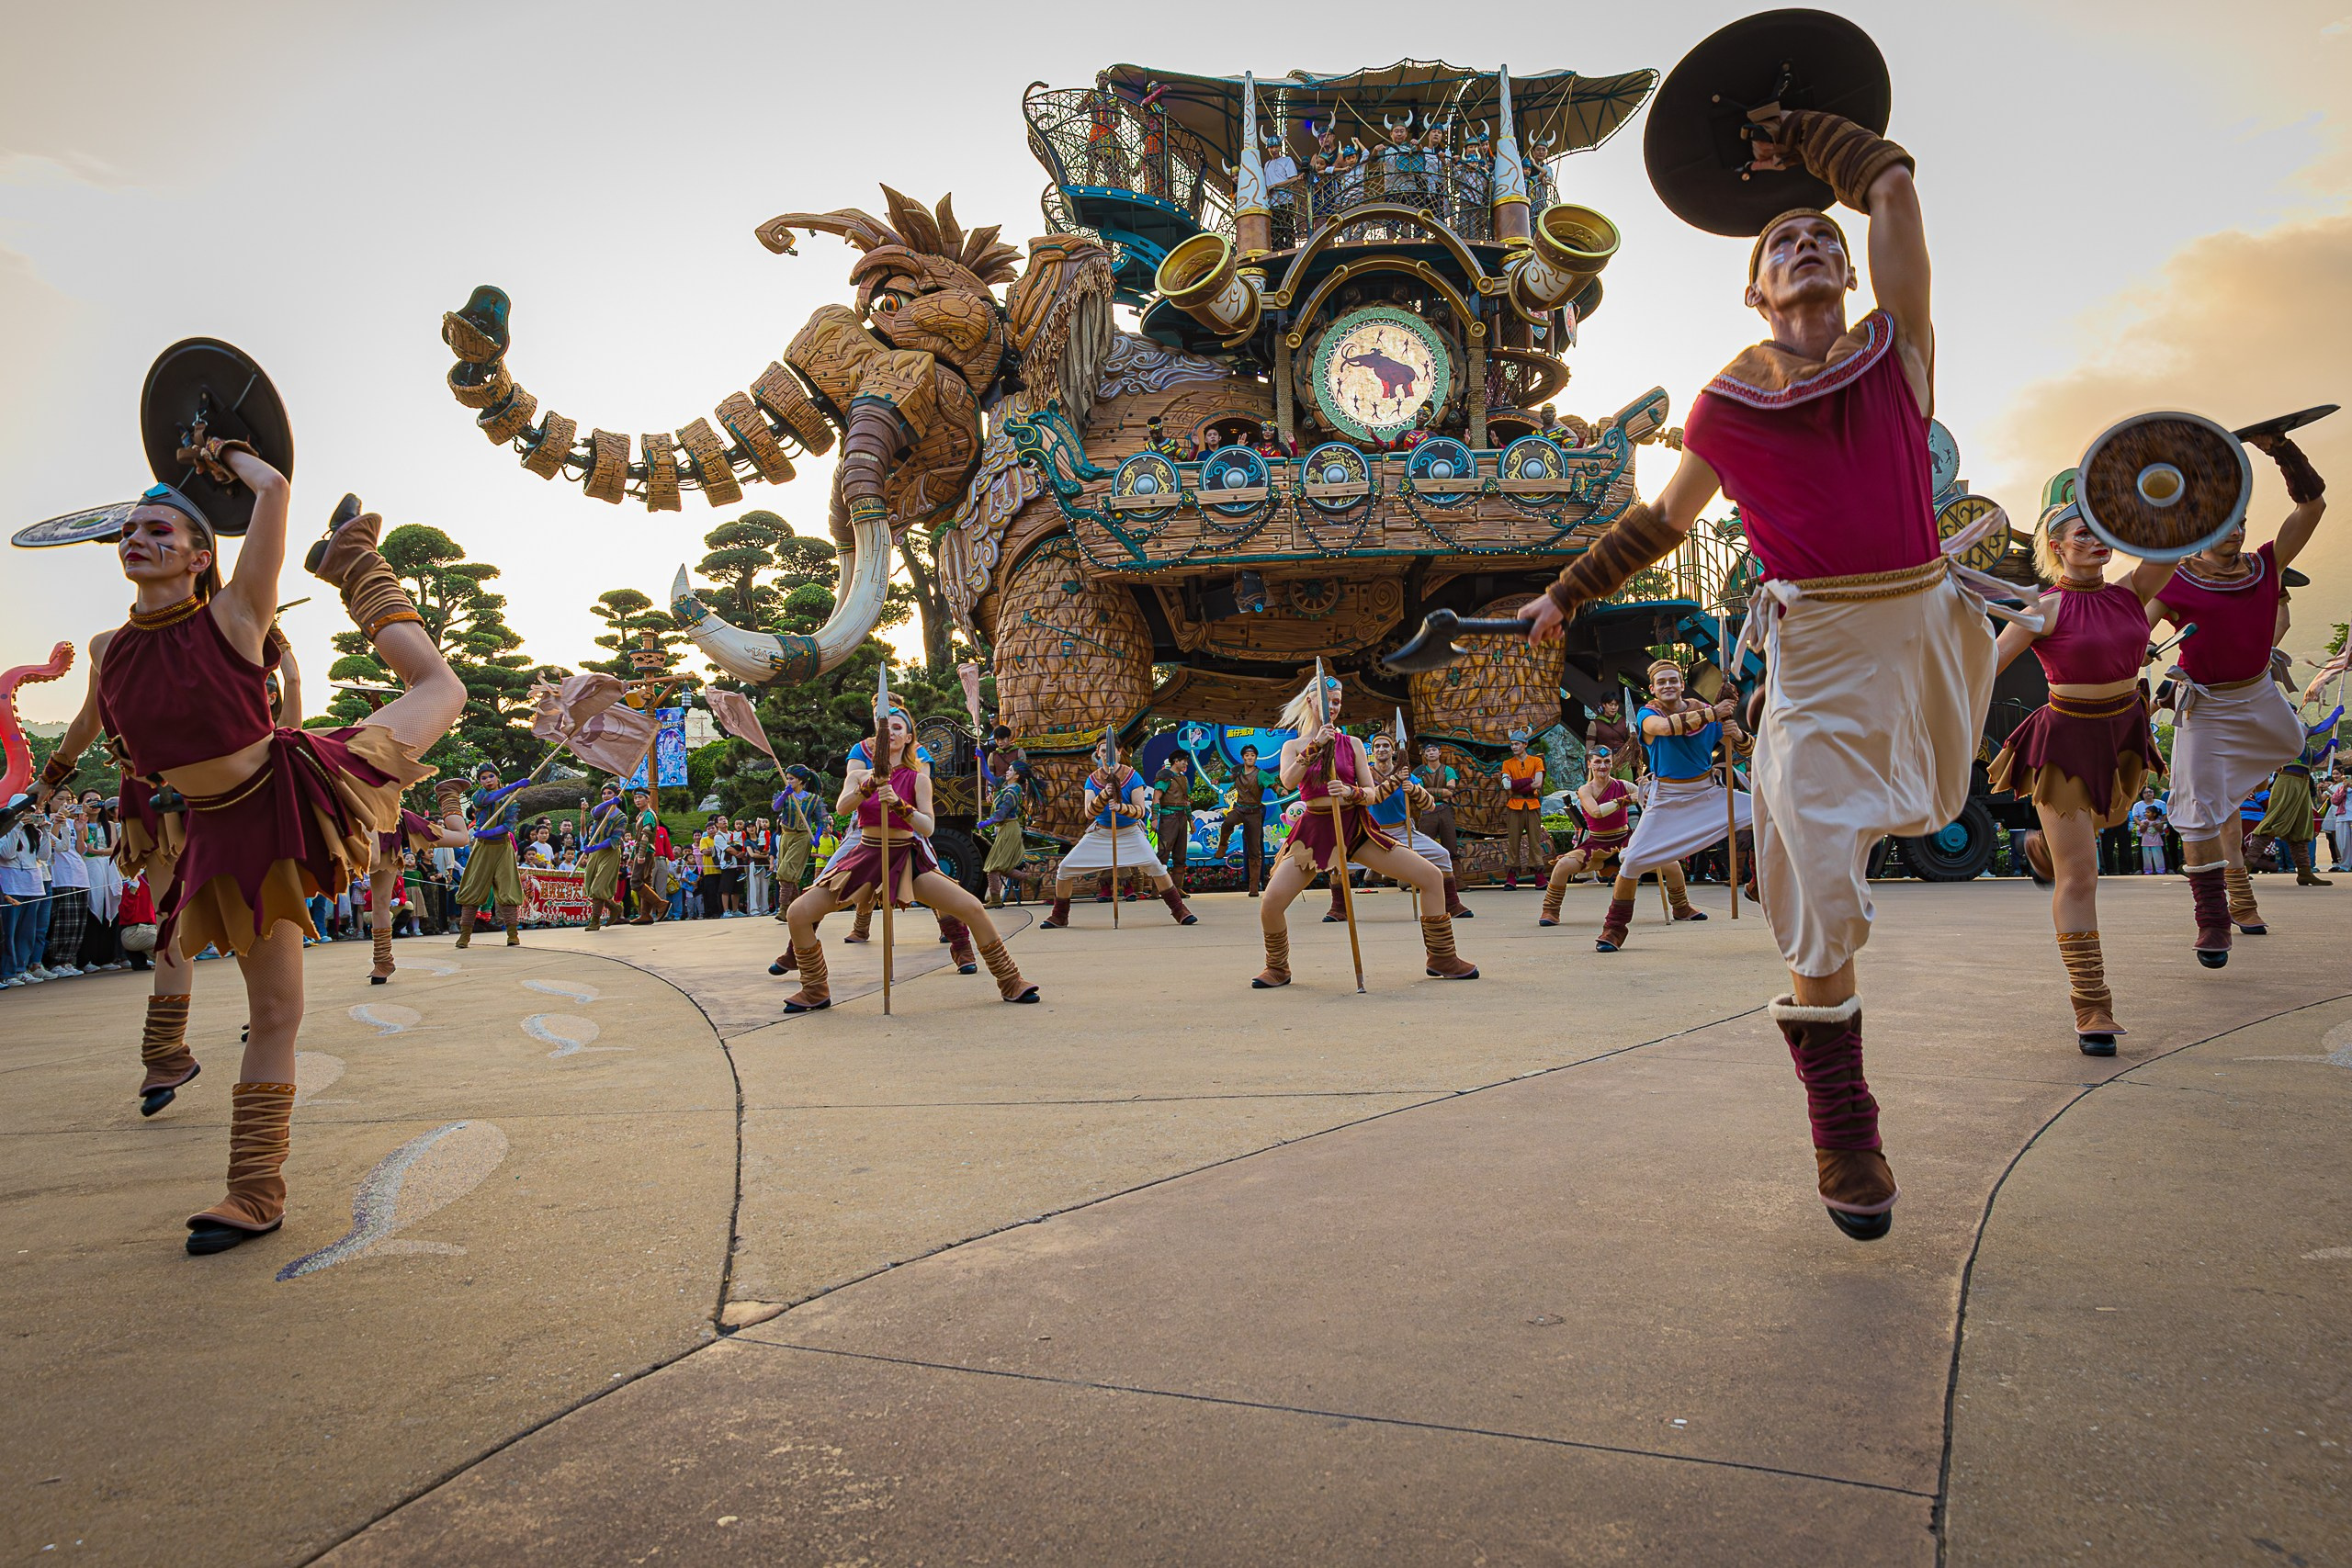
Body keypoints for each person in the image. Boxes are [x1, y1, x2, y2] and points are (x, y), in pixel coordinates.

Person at [1519, 106, 1986, 1240]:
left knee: (1935, 807)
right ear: (1752, 292)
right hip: (1818, 645)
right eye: (1779, 244)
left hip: (1926, 626)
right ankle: (1844, 1126)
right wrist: (1565, 594)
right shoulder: (1725, 405)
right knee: (1815, 866)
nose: (1806, 247)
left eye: (1816, 236)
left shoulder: (1897, 351)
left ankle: (1842, 1088)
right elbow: (1657, 520)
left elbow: (1892, 193)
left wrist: (1804, 137)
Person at [38, 461, 463, 1254]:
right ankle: (239, 1166)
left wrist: (217, 450)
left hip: (291, 793)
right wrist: (49, 781)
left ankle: (355, 564)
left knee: (442, 687)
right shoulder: (111, 648)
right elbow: (95, 727)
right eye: (128, 531)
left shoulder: (235, 617)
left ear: (201, 555)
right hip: (215, 831)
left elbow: (271, 489)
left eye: (157, 530)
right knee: (260, 1003)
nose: (135, 538)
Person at [1986, 496, 2173, 1054]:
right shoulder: (2043, 609)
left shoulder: (2133, 592)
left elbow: (2174, 540)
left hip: (2125, 738)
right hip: (2064, 743)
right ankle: (2092, 1005)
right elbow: (1986, 668)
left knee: (2106, 822)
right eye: (2081, 534)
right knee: (2082, 875)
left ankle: (2046, 844)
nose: (2095, 541)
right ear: (2056, 547)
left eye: (2102, 531)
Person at [2145, 431, 2327, 957]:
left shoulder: (2266, 564)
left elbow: (2312, 506)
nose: (2236, 531)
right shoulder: (2174, 581)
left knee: (2293, 743)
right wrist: (2132, 656)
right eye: (2223, 525)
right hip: (2208, 708)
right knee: (2199, 811)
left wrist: (2282, 450)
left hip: (2260, 696)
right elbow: (2140, 630)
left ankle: (2223, 810)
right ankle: (2213, 920)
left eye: (2241, 522)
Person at [779, 708, 1037, 1011]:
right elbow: (842, 808)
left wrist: (900, 805)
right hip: (865, 857)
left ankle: (1010, 980)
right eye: (884, 728)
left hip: (907, 859)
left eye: (898, 727)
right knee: (798, 913)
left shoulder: (918, 780)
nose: (891, 732)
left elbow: (927, 826)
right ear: (876, 738)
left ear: (909, 738)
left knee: (972, 908)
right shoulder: (858, 775)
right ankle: (814, 989)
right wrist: (869, 786)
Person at [1250, 673, 1476, 987]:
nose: (1335, 706)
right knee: (1271, 903)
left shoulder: (1353, 744)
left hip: (1356, 828)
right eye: (1329, 701)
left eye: (1339, 702)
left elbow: (1371, 793)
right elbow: (1288, 781)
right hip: (1314, 832)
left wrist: (1349, 792)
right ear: (1311, 701)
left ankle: (1441, 956)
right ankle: (1277, 967)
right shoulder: (1294, 745)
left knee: (1432, 877)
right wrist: (1317, 745)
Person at [1591, 660, 1752, 951]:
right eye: (1661, 682)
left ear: (1681, 684)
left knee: (1773, 815)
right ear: (1653, 688)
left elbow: (1747, 747)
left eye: (1672, 680)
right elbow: (1663, 729)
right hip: (1667, 799)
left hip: (1708, 794)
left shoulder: (1705, 713)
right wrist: (1714, 713)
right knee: (1632, 863)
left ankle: (1758, 886)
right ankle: (1614, 928)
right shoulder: (1648, 714)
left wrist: (1734, 730)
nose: (1667, 685)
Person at [1039, 740, 1198, 928]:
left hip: (1130, 832)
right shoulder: (1093, 779)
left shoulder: (1132, 776)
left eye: (1112, 751)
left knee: (1156, 867)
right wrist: (1104, 796)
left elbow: (1140, 811)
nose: (1108, 755)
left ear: (1119, 751)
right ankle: (1059, 915)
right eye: (1104, 751)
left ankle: (1179, 910)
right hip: (1101, 832)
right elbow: (1089, 813)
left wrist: (1120, 807)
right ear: (1098, 753)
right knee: (1065, 869)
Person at [1324, 730, 1456, 921]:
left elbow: (1430, 805)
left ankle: (1452, 903)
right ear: (1372, 751)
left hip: (1402, 831)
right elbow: (1374, 797)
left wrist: (1414, 790)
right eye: (1377, 746)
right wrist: (1396, 781)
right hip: (1369, 832)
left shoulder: (1405, 774)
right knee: (1337, 863)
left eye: (1386, 745)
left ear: (1393, 750)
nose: (1381, 749)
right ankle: (1339, 907)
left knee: (1442, 855)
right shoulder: (1365, 773)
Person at [366, 781, 468, 981]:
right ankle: (383, 961)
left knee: (461, 838)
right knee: (379, 903)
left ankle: (448, 793)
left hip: (389, 824)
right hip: (361, 825)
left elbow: (374, 858)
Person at [1540, 749, 1636, 926]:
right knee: (1562, 866)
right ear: (1589, 764)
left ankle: (1681, 906)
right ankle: (1550, 910)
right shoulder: (1585, 790)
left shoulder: (1624, 785)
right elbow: (1596, 812)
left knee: (1670, 865)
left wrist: (1649, 788)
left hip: (1625, 840)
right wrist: (1628, 799)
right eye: (1598, 761)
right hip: (1597, 844)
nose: (1603, 766)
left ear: (1612, 763)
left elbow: (1648, 799)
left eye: (1607, 761)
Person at [452, 761, 531, 947]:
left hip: (503, 848)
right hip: (483, 848)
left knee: (508, 890)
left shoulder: (511, 801)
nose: (488, 780)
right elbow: (484, 801)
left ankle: (513, 934)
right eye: (483, 778)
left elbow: (509, 826)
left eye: (491, 776)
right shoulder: (478, 795)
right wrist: (513, 786)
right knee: (472, 889)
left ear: (498, 777)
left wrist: (489, 832)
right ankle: (465, 936)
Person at [1215, 743, 1273, 897]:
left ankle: (1253, 887)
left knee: (1255, 851)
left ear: (1256, 758)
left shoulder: (1260, 774)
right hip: (1239, 809)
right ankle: (1222, 845)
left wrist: (1281, 789)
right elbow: (1228, 777)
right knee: (1227, 822)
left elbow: (1272, 784)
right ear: (1243, 758)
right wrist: (1217, 780)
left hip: (1254, 813)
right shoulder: (1238, 772)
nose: (1250, 757)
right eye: (1247, 755)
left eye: (1252, 755)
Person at [978, 748, 1031, 907]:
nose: (1007, 772)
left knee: (993, 866)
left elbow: (1001, 814)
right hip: (1005, 829)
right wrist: (982, 760)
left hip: (1009, 828)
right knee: (1002, 866)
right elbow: (989, 777)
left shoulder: (1014, 790)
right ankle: (1032, 880)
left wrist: (986, 823)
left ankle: (995, 900)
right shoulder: (1006, 785)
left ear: (1017, 775)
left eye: (1010, 770)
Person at [771, 767, 825, 909]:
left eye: (791, 778)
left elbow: (821, 821)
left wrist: (817, 837)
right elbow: (776, 808)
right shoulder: (784, 795)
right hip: (786, 836)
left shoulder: (814, 799)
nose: (788, 781)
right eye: (787, 778)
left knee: (785, 870)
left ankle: (783, 908)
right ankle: (798, 907)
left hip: (802, 837)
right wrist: (784, 795)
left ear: (800, 781)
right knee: (789, 873)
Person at [1498, 730, 1545, 889]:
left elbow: (1538, 783)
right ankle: (1511, 877)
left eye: (1517, 744)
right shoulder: (1507, 764)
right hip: (1514, 805)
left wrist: (1515, 784)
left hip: (1532, 804)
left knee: (1535, 841)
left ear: (1525, 745)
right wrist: (1527, 781)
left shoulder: (1536, 761)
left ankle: (1539, 875)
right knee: (1513, 841)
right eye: (1512, 744)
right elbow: (1507, 787)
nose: (1514, 747)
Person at [579, 783, 628, 931]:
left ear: (617, 795)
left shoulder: (622, 817)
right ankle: (614, 907)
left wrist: (596, 847)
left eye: (610, 793)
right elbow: (593, 813)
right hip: (594, 852)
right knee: (590, 884)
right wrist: (608, 803)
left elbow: (614, 839)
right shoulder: (601, 811)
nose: (606, 795)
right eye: (604, 793)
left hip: (609, 853)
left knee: (598, 887)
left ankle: (595, 921)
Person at [1153, 754, 1205, 895]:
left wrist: (1190, 819)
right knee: (1163, 853)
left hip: (1182, 818)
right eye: (1184, 761)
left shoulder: (1183, 778)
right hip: (1168, 818)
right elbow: (1156, 797)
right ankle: (1157, 888)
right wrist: (1154, 818)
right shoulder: (1165, 776)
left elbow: (1186, 800)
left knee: (1180, 855)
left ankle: (1177, 887)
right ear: (1175, 762)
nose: (1186, 764)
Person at [1410, 740, 1464, 873]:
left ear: (1439, 752)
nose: (1431, 753)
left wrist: (1429, 791)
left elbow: (1450, 791)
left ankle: (1457, 880)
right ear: (1424, 754)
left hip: (1445, 810)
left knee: (1451, 846)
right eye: (1428, 751)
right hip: (1427, 811)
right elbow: (1419, 791)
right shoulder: (1419, 772)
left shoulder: (1448, 770)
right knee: (1424, 847)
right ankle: (1421, 879)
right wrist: (1441, 792)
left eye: (1434, 750)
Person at [628, 788, 671, 924]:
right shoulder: (641, 815)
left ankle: (660, 904)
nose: (637, 800)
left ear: (647, 799)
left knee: (635, 882)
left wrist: (640, 854)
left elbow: (646, 835)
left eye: (640, 797)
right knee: (645, 882)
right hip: (643, 850)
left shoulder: (648, 814)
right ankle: (645, 914)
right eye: (635, 798)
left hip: (646, 851)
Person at [2137, 799, 2170, 874]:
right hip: (2145, 843)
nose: (2146, 814)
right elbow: (2141, 832)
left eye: (2148, 812)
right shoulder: (2143, 822)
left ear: (2154, 814)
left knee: (2158, 857)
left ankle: (2160, 870)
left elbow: (2161, 831)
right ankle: (2148, 870)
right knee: (2147, 858)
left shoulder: (2159, 822)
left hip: (2157, 843)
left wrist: (2157, 826)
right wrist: (2144, 826)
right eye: (2145, 812)